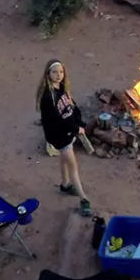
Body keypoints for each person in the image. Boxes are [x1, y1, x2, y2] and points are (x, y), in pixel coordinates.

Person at [37, 60, 91, 216]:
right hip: (60, 136)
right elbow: (56, 120)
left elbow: (71, 107)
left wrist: (79, 123)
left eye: (61, 72)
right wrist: (75, 128)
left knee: (64, 159)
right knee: (73, 166)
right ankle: (83, 199)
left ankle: (65, 184)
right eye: (55, 72)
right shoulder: (48, 98)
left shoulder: (62, 89)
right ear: (48, 74)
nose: (58, 75)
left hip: (68, 132)